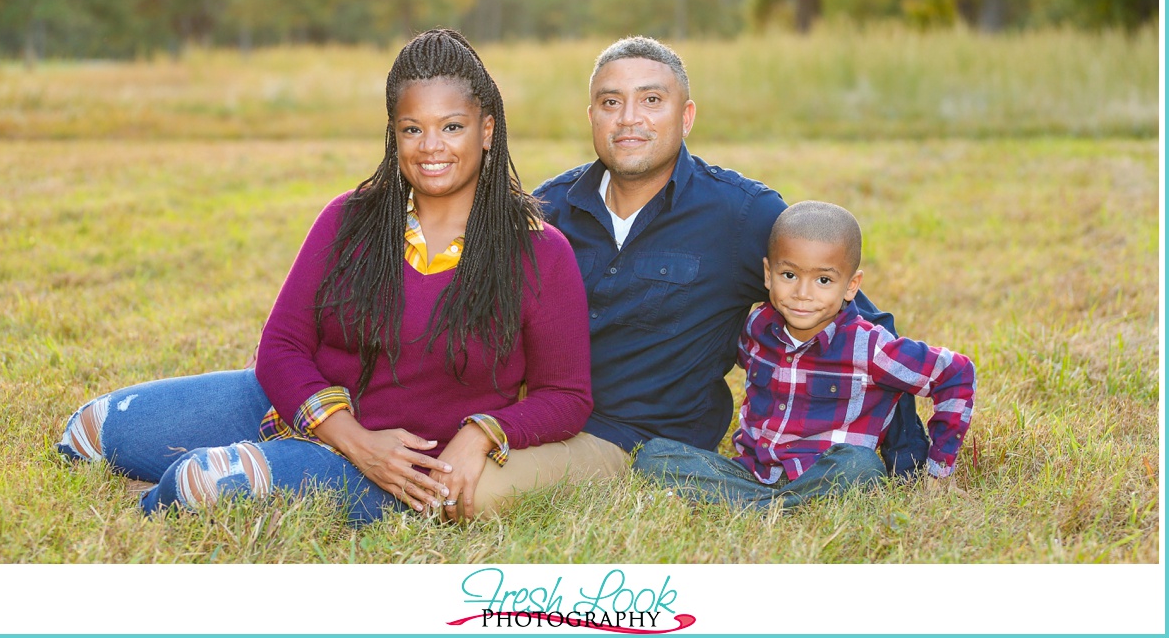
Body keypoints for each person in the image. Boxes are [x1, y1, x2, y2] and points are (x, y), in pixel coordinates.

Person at [57, 28, 593, 524]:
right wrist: (353, 438)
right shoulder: (350, 218)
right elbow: (283, 344)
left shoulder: (540, 252)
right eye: (413, 129)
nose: (432, 147)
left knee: (200, 482)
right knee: (88, 432)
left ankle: (218, 475)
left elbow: (566, 394)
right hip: (295, 410)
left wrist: (481, 433)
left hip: (399, 469)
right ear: (394, 134)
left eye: (452, 127)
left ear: (486, 130)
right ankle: (259, 456)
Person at [531, 35, 931, 483]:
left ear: (686, 117)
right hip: (540, 417)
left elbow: (859, 326)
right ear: (592, 117)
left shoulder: (739, 214)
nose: (629, 119)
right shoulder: (548, 209)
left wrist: (907, 459)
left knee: (477, 493)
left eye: (651, 100)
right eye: (610, 102)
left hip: (648, 441)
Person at [634, 200, 976, 509]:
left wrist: (939, 469)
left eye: (824, 280)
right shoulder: (757, 327)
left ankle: (750, 508)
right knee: (653, 455)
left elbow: (956, 373)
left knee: (861, 467)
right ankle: (774, 506)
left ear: (851, 286)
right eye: (789, 275)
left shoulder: (870, 346)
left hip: (826, 475)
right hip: (752, 473)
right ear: (768, 275)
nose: (802, 294)